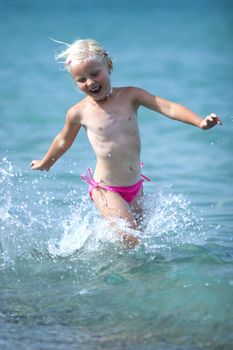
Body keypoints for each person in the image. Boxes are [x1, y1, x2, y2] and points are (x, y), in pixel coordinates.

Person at [31, 38, 222, 247]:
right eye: (81, 79)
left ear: (109, 66)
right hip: (106, 190)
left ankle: (130, 274)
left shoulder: (131, 95)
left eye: (95, 74)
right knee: (132, 241)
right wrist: (46, 162)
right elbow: (63, 140)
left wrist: (200, 122)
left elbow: (167, 107)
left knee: (140, 239)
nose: (90, 82)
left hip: (135, 186)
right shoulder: (78, 112)